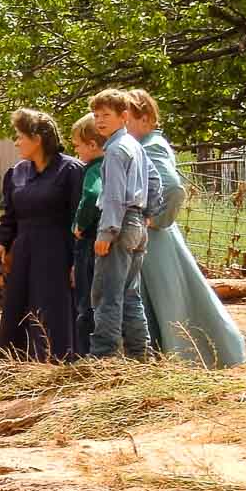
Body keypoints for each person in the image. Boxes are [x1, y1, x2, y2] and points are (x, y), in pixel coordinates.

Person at [127, 89, 246, 368]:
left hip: (155, 240)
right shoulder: (143, 145)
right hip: (154, 237)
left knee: (171, 300)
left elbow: (173, 189)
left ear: (145, 118)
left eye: (127, 118)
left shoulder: (151, 146)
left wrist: (156, 220)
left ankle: (188, 357)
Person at [0, 109, 83, 361]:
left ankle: (57, 363)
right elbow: (10, 216)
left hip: (55, 251)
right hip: (23, 252)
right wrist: (0, 243)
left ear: (38, 138)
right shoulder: (17, 172)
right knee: (17, 308)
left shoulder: (71, 170)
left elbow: (79, 219)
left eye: (20, 136)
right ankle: (12, 367)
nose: (16, 142)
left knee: (53, 309)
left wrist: (76, 261)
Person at [85, 88, 153, 359]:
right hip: (138, 223)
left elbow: (114, 194)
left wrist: (106, 231)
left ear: (124, 116)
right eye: (96, 115)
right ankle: (140, 353)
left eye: (106, 115)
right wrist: (148, 215)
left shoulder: (114, 149)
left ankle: (104, 354)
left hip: (120, 223)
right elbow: (154, 181)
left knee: (106, 293)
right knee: (130, 293)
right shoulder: (136, 145)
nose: (100, 120)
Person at [70, 114, 106, 349]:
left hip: (89, 241)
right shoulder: (113, 164)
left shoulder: (93, 169)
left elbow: (93, 196)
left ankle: (84, 354)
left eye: (77, 147)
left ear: (92, 145)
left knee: (86, 302)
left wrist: (79, 225)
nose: (76, 153)